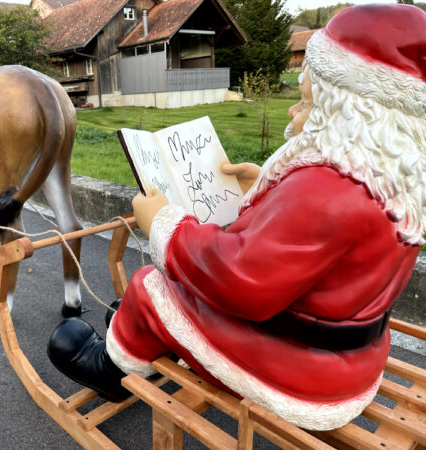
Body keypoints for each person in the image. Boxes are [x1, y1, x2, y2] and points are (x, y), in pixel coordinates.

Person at [48, 4, 426, 430]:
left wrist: (162, 225)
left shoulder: (326, 191)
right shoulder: (392, 180)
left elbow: (241, 279)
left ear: (348, 114)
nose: (291, 112)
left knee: (151, 287)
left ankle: (111, 368)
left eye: (304, 102)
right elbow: (316, 252)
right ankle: (145, 330)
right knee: (181, 277)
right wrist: (264, 183)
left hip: (304, 370)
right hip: (353, 357)